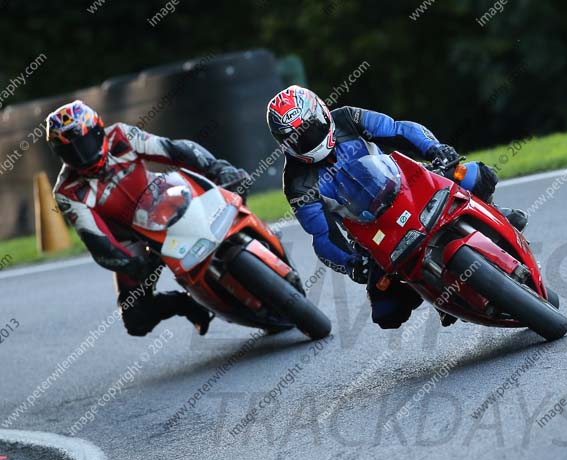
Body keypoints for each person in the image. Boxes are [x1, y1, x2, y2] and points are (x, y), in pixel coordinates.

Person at [266, 85, 527, 329]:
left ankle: (493, 213)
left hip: (409, 187)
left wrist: (435, 149)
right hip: (373, 235)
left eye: (312, 129)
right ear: (284, 144)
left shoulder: (347, 118)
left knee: (477, 175)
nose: (309, 140)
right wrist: (352, 263)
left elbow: (397, 129)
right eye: (298, 138)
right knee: (388, 313)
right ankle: (433, 290)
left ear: (323, 113)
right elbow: (322, 236)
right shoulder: (296, 184)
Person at [47, 100, 249, 337]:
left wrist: (216, 168)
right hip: (134, 241)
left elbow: (172, 149)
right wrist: (130, 265)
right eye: (71, 151)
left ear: (98, 130)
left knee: (234, 183)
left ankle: (251, 236)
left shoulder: (121, 136)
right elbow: (96, 239)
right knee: (135, 319)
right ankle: (184, 303)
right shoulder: (67, 191)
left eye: (85, 142)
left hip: (166, 200)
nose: (82, 155)